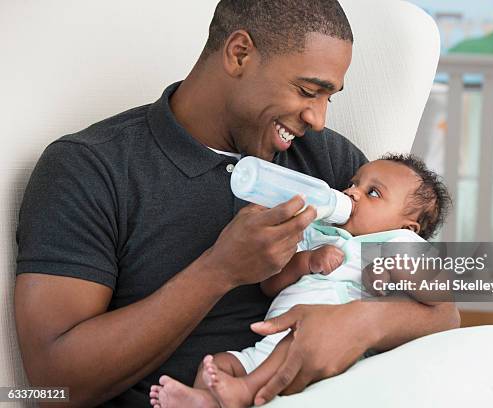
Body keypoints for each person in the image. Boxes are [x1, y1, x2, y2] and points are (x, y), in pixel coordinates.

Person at [14, 1, 460, 407]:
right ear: (240, 54)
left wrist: (363, 324)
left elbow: (445, 308)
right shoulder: (91, 169)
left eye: (330, 97)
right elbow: (54, 384)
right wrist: (219, 270)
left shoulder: (327, 160)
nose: (319, 118)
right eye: (308, 91)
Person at [149, 154, 452, 408]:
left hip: (326, 347)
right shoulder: (318, 230)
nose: (352, 193)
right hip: (269, 344)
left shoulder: (397, 242)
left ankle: (244, 392)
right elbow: (270, 284)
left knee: (303, 333)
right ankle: (204, 401)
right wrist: (307, 261)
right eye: (353, 183)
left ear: (408, 227)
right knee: (214, 365)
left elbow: (440, 293)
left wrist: (395, 269)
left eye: (373, 193)